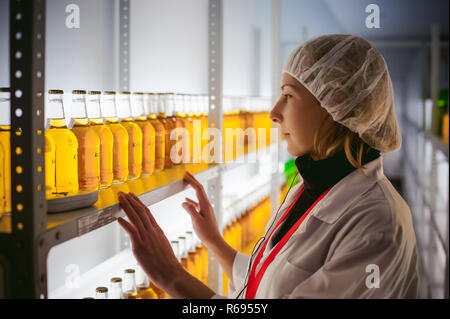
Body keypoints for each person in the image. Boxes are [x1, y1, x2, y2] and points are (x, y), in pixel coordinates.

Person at [117, 34, 419, 299]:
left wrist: (172, 276)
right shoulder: (312, 184)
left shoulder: (377, 225)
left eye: (288, 95)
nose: (274, 112)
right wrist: (213, 242)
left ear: (335, 105)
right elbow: (269, 282)